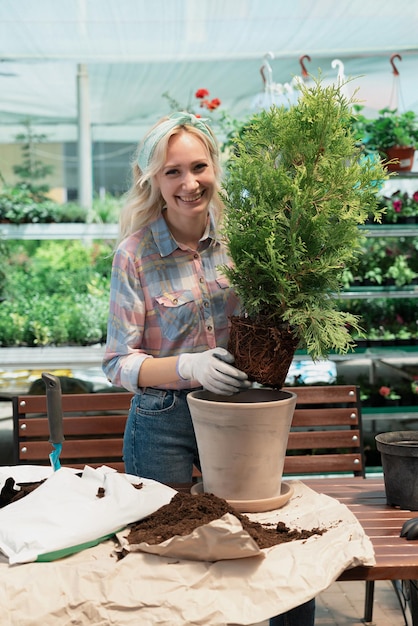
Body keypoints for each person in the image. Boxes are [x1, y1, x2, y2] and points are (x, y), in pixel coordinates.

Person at [102, 111, 315, 626]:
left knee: (269, 546)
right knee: (170, 557)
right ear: (152, 179)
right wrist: (189, 367)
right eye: (172, 171)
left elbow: (278, 314)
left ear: (215, 167)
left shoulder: (247, 241)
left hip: (240, 413)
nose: (189, 183)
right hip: (163, 421)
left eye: (198, 167)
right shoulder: (134, 256)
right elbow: (117, 362)